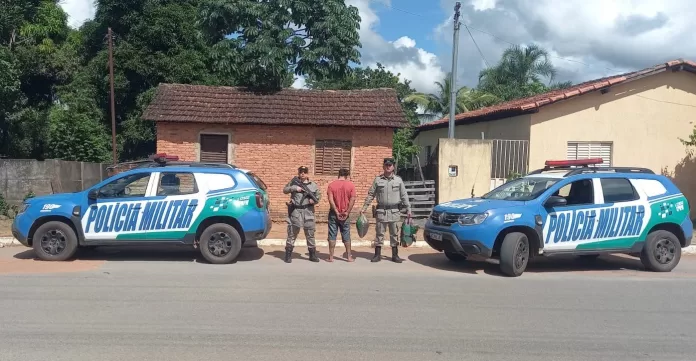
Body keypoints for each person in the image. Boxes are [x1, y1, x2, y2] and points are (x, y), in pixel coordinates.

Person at [360, 157, 411, 263]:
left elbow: (404, 195)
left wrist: (408, 209)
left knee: (394, 234)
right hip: (381, 212)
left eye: (390, 165)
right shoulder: (378, 180)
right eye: (386, 165)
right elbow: (371, 195)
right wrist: (364, 208)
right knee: (379, 234)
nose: (388, 167)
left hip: (394, 212)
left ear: (393, 167)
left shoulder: (398, 180)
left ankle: (395, 255)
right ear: (383, 166)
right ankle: (377, 255)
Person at [283, 166, 321, 263]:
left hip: (308, 211)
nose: (302, 174)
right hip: (296, 211)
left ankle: (312, 255)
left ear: (307, 173)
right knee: (292, 233)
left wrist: (314, 201)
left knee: (310, 233)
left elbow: (318, 196)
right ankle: (288, 255)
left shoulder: (313, 185)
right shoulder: (294, 182)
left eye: (304, 172)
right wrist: (295, 188)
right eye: (301, 172)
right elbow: (285, 190)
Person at [326, 168, 357, 262]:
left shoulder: (331, 185)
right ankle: (349, 257)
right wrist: (347, 212)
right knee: (346, 234)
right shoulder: (351, 185)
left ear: (338, 175)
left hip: (333, 214)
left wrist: (336, 211)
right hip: (345, 214)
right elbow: (353, 199)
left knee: (332, 234)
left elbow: (330, 200)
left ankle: (331, 257)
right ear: (347, 175)